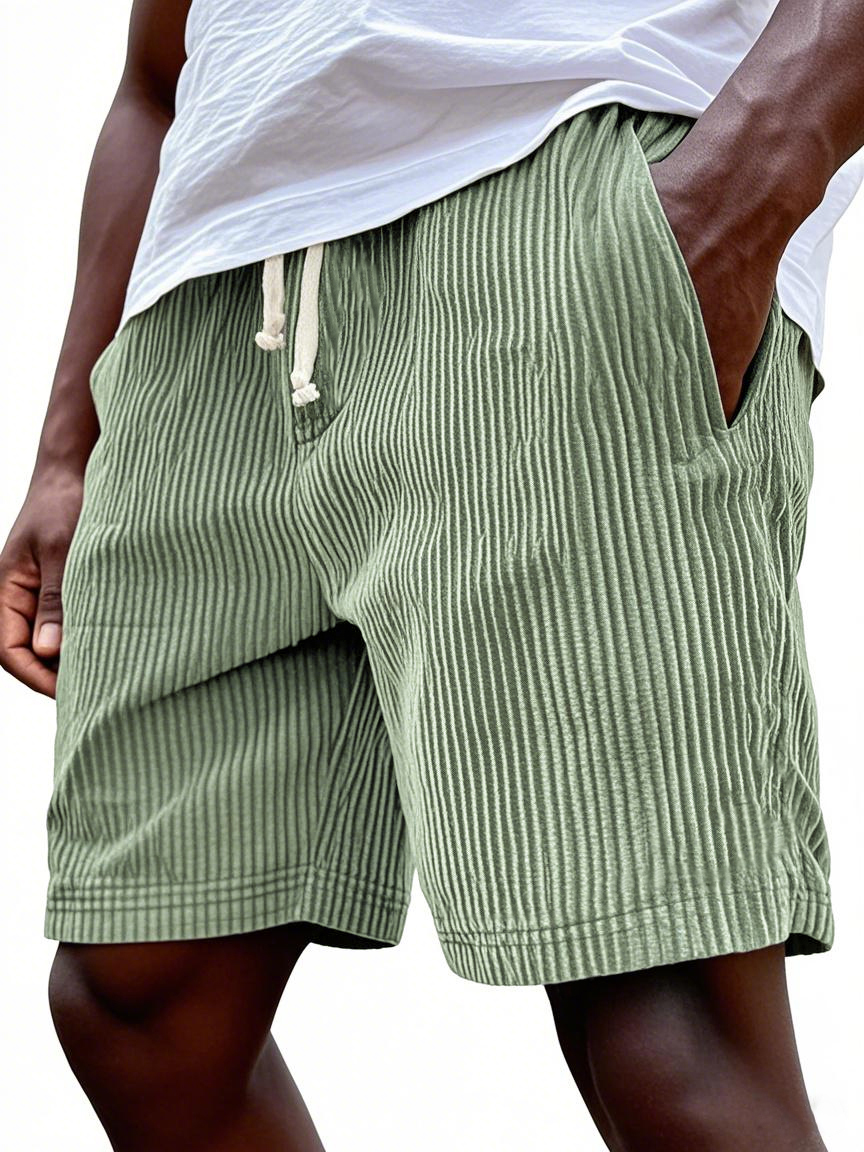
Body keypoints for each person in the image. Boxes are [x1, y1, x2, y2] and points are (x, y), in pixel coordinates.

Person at [1, 1, 862, 1148]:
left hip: (546, 204)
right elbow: (158, 78)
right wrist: (67, 445)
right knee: (139, 998)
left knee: (665, 1019)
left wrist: (740, 195)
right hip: (201, 312)